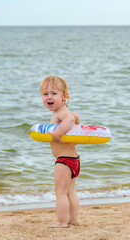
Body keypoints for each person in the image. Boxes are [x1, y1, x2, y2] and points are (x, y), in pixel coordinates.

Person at [40, 75, 80, 228]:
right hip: (74, 159)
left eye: (54, 93)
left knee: (60, 192)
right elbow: (75, 118)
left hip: (64, 160)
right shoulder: (65, 111)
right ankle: (73, 220)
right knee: (70, 191)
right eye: (45, 94)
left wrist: (56, 134)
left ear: (65, 96)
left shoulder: (60, 114)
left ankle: (62, 222)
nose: (49, 97)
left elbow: (70, 120)